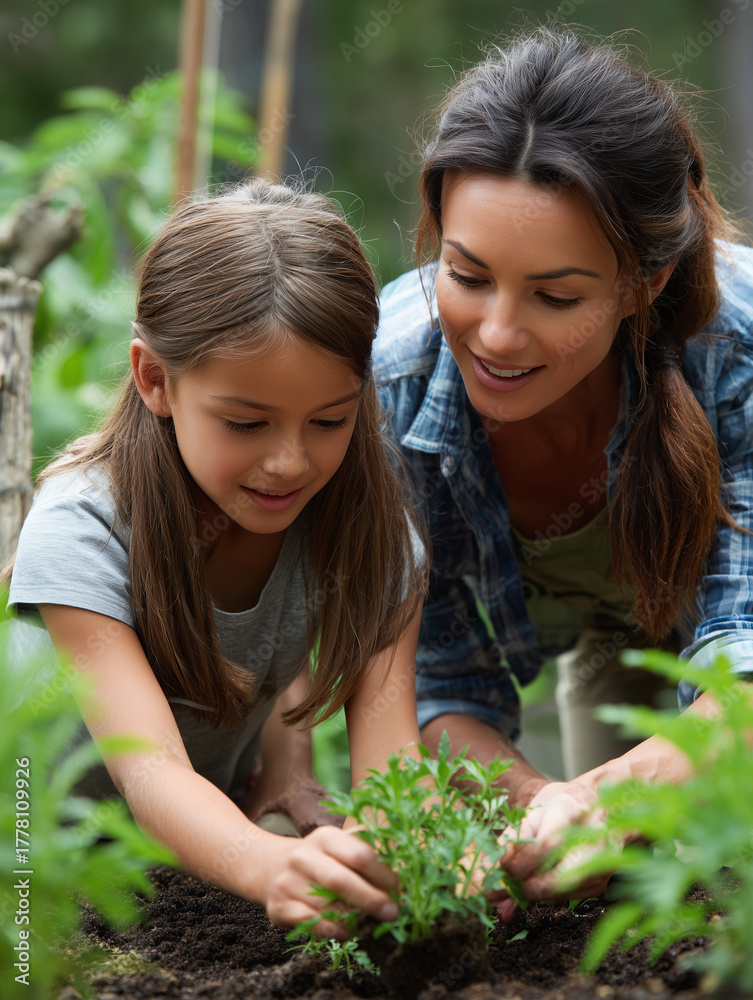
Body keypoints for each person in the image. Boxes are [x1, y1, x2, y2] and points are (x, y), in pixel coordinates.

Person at [373, 28, 753, 907]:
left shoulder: (733, 350)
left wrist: (613, 794)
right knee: (590, 875)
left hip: (695, 615)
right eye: (467, 276)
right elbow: (436, 678)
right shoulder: (386, 384)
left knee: (707, 872)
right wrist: (546, 808)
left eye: (555, 296)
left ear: (643, 285)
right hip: (578, 618)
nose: (498, 335)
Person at [6, 178, 426, 938]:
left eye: (330, 419)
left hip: (191, 875)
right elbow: (153, 771)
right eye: (246, 423)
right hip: (37, 872)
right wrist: (273, 866)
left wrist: (425, 858)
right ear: (155, 379)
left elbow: (391, 764)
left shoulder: (367, 534)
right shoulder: (86, 530)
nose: (290, 462)